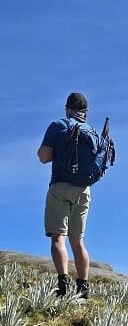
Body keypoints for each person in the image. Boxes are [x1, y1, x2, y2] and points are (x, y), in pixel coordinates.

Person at [37, 92, 94, 298]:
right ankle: (83, 288)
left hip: (60, 187)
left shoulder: (58, 125)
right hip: (85, 190)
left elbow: (43, 157)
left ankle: (63, 286)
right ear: (85, 112)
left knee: (58, 238)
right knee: (77, 240)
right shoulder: (91, 131)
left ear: (68, 109)